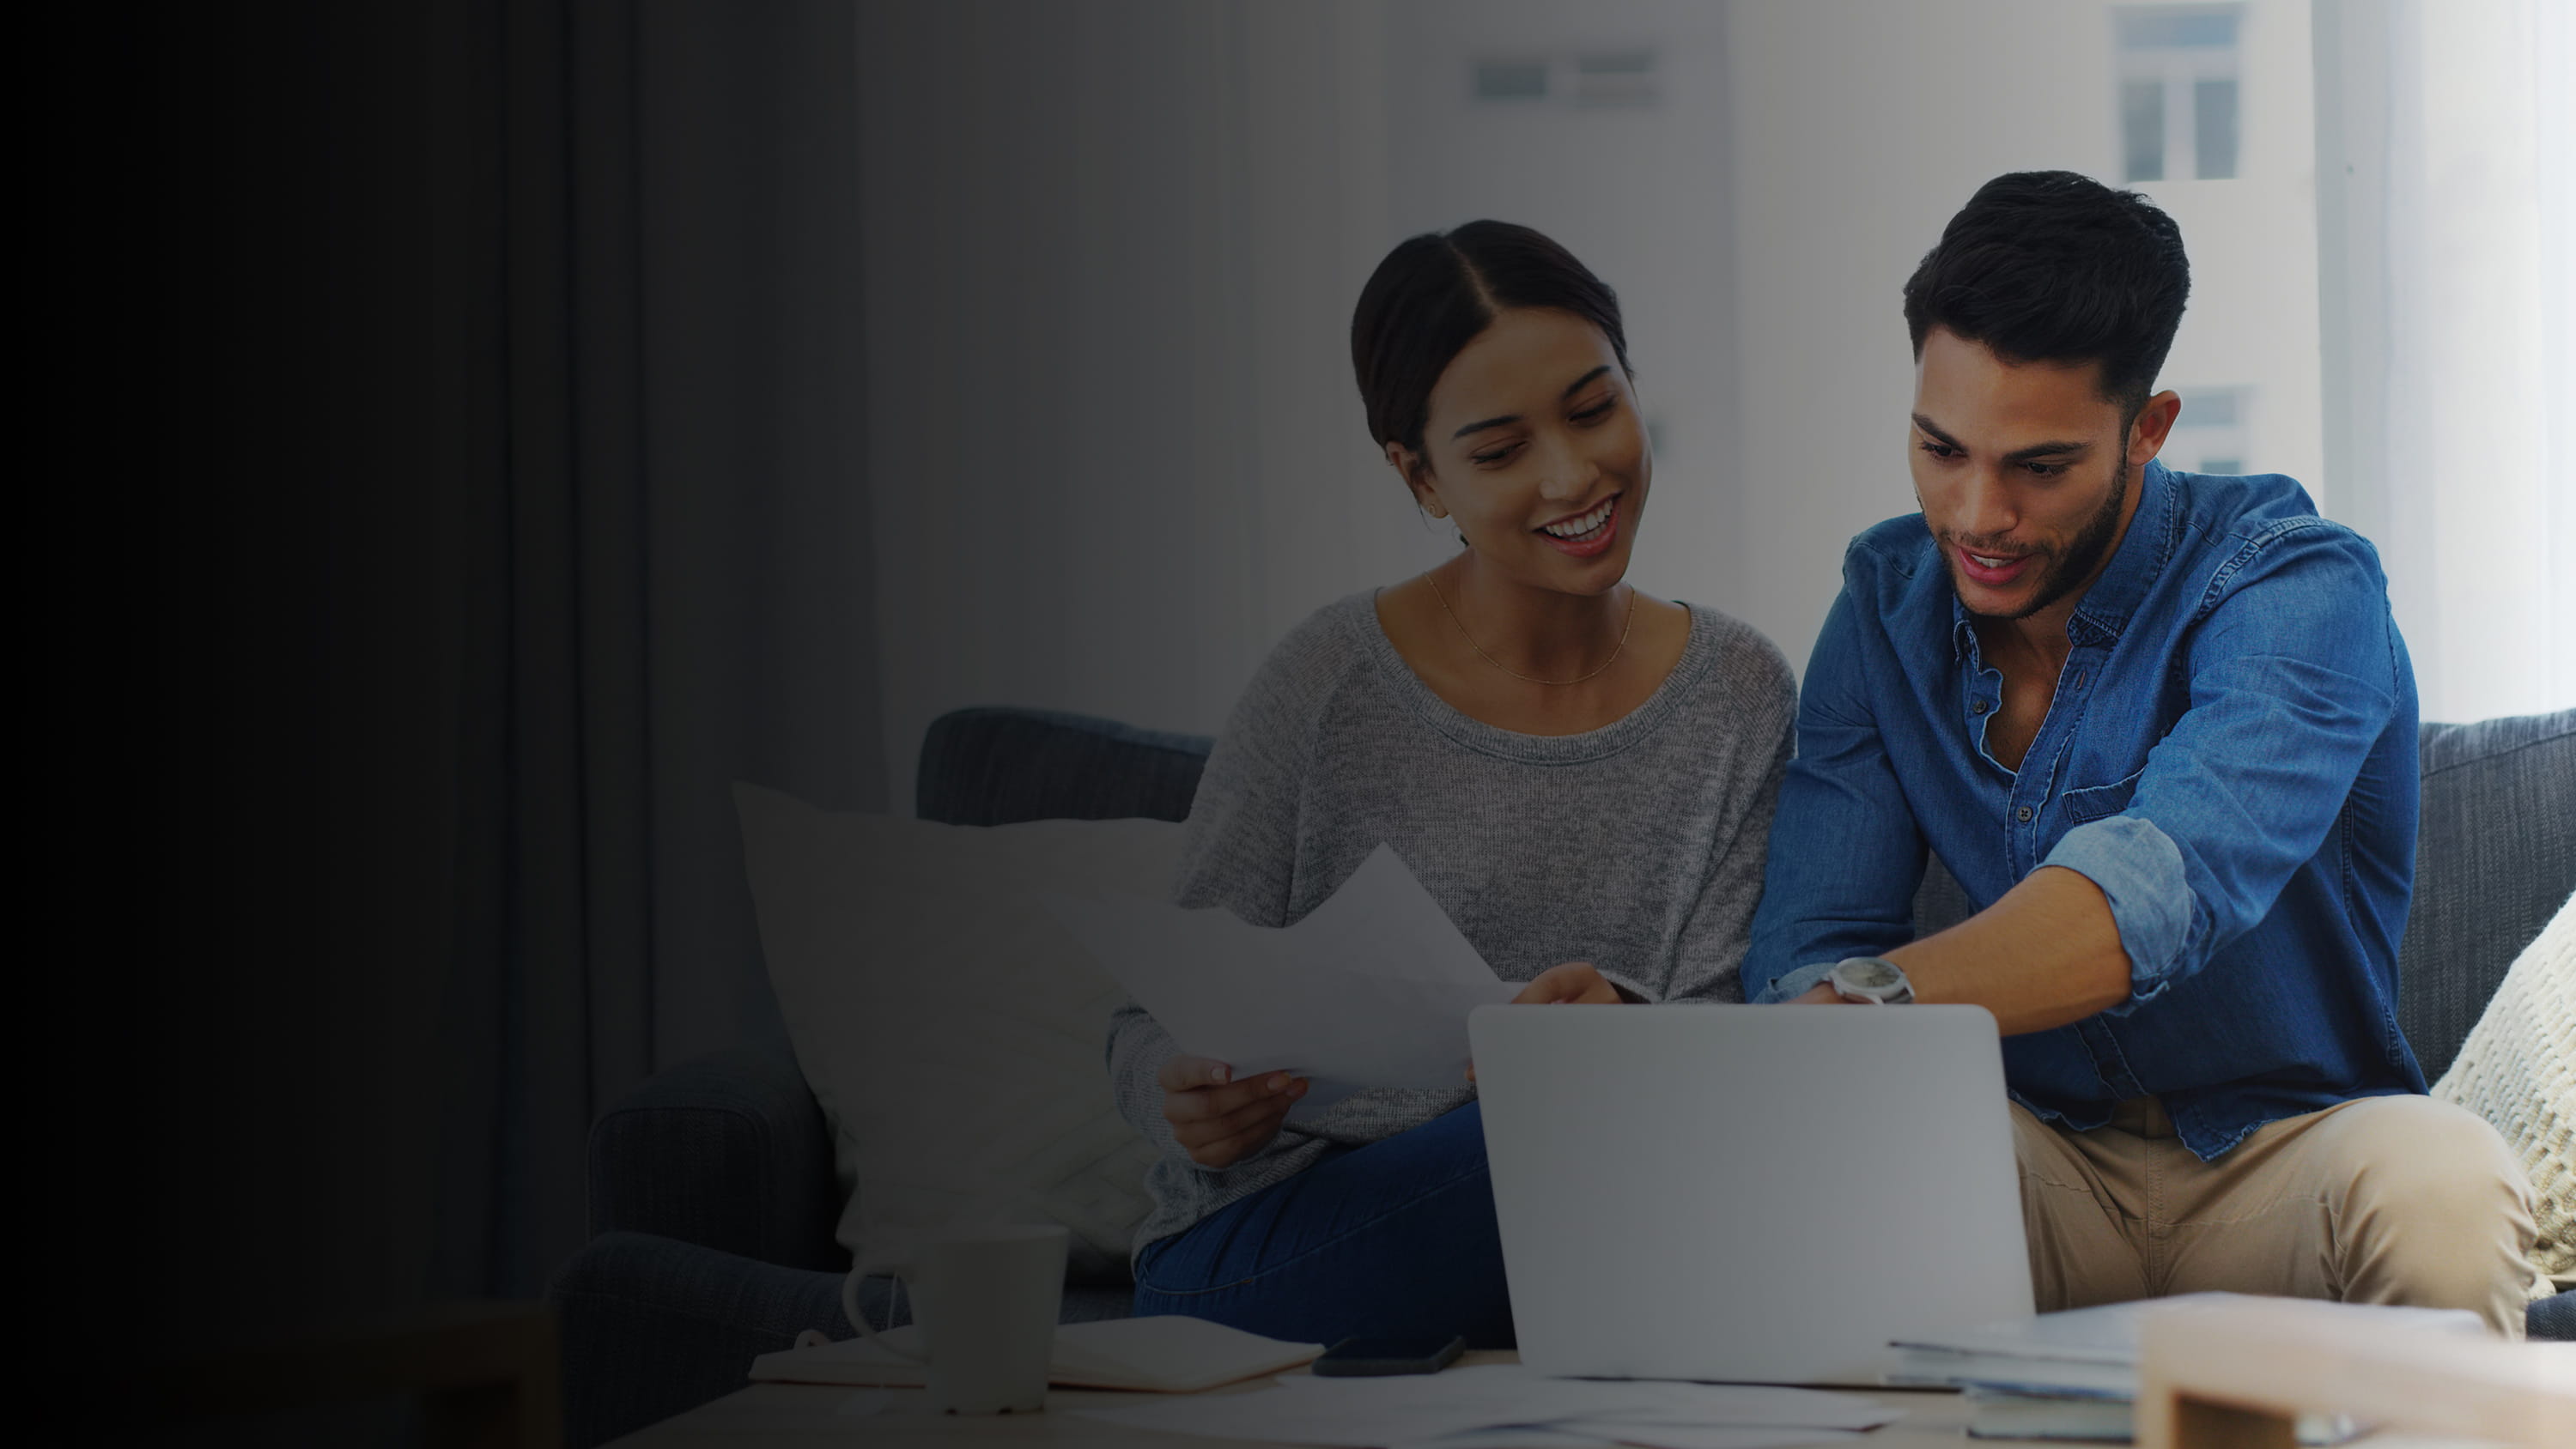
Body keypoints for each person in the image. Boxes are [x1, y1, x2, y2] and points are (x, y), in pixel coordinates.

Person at [1741, 172, 2538, 1334]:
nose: (1974, 514)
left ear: (2148, 429)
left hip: (2288, 1153)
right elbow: (1807, 947)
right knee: (1828, 1163)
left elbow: (2163, 886)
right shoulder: (1881, 604)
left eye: (2040, 465)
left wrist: (1874, 1003)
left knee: (2447, 1189)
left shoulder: (2299, 584)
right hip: (2026, 1162)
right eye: (1940, 448)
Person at [1106, 221, 1797, 1347]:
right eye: (1498, 450)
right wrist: (1183, 1097)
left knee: (1664, 1124)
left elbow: (1730, 1042)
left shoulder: (1738, 691)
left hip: (1606, 1204)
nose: (1572, 476)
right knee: (1574, 1129)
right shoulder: (1327, 683)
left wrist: (1625, 1027)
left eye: (1592, 409)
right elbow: (1148, 1028)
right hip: (1270, 1248)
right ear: (1420, 475)